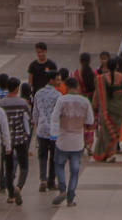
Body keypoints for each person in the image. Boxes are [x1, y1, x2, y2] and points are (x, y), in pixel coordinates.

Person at [52, 74, 94, 207]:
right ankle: (70, 197)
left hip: (63, 140)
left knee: (59, 165)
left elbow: (54, 117)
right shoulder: (85, 101)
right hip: (77, 141)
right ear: (77, 87)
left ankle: (62, 189)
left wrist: (54, 133)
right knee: (75, 170)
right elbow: (90, 120)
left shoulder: (61, 100)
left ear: (67, 87)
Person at [0, 74, 34, 204]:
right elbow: (29, 119)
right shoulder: (22, 103)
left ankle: (11, 195)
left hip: (6, 140)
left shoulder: (0, 104)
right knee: (23, 166)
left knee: (8, 167)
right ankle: (19, 186)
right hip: (20, 139)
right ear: (17, 88)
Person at [32, 70, 63, 192]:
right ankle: (51, 181)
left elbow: (35, 111)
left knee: (42, 155)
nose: (59, 82)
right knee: (54, 156)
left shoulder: (38, 93)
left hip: (42, 129)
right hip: (54, 130)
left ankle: (43, 179)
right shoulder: (58, 95)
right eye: (58, 79)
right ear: (51, 80)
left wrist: (36, 124)